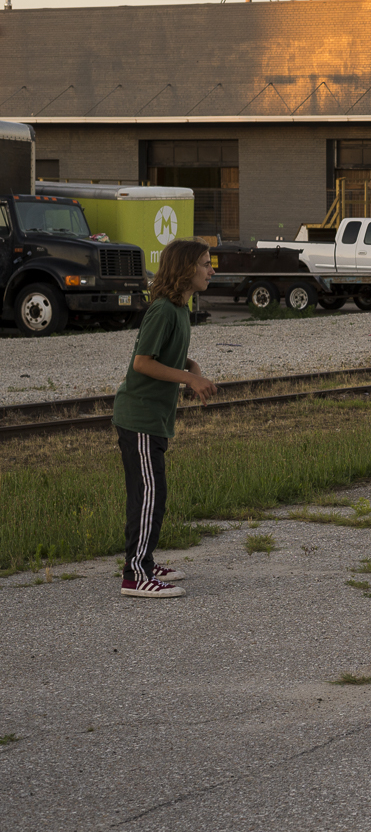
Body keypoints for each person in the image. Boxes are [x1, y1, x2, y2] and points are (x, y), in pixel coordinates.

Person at [112, 238, 218, 597]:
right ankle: (136, 575)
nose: (211, 269)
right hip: (138, 417)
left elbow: (170, 355)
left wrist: (193, 367)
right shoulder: (162, 310)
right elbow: (143, 362)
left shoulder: (179, 309)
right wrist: (190, 378)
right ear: (186, 268)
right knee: (148, 495)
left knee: (152, 494)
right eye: (205, 263)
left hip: (154, 419)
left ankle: (144, 559)